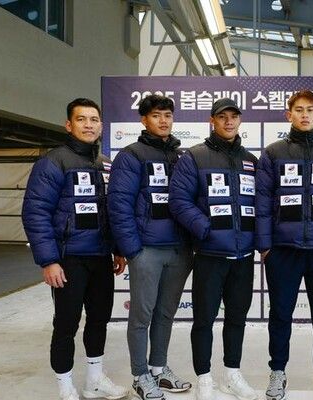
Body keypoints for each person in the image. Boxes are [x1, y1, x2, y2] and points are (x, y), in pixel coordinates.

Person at [22, 98, 128, 400]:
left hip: (101, 257)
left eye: (94, 120)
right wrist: (49, 260)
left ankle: (94, 381)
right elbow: (35, 212)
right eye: (81, 119)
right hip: (68, 259)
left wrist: (117, 249)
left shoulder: (105, 163)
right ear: (69, 125)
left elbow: (111, 211)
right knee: (66, 324)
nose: (88, 125)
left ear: (101, 126)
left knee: (99, 320)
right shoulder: (53, 162)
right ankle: (65, 386)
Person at [255, 89, 313, 400]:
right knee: (280, 314)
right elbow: (262, 201)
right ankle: (277, 371)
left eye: (310, 109)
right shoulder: (273, 153)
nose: (305, 114)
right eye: (299, 109)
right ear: (289, 115)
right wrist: (265, 245)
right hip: (284, 249)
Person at [170, 98, 258, 400]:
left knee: (237, 318)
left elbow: (260, 203)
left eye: (234, 116)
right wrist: (206, 230)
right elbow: (179, 200)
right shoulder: (194, 157)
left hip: (243, 257)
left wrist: (257, 240)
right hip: (210, 256)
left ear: (239, 120)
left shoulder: (250, 160)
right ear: (212, 121)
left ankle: (232, 374)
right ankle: (204, 378)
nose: (229, 121)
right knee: (204, 320)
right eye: (222, 117)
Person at [107, 95, 192, 400]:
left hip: (179, 251)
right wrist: (133, 250)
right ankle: (140, 374)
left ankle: (159, 368)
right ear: (144, 120)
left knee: (166, 313)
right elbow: (119, 205)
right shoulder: (131, 156)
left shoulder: (182, 156)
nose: (163, 121)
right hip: (147, 250)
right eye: (156, 115)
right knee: (142, 316)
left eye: (167, 115)